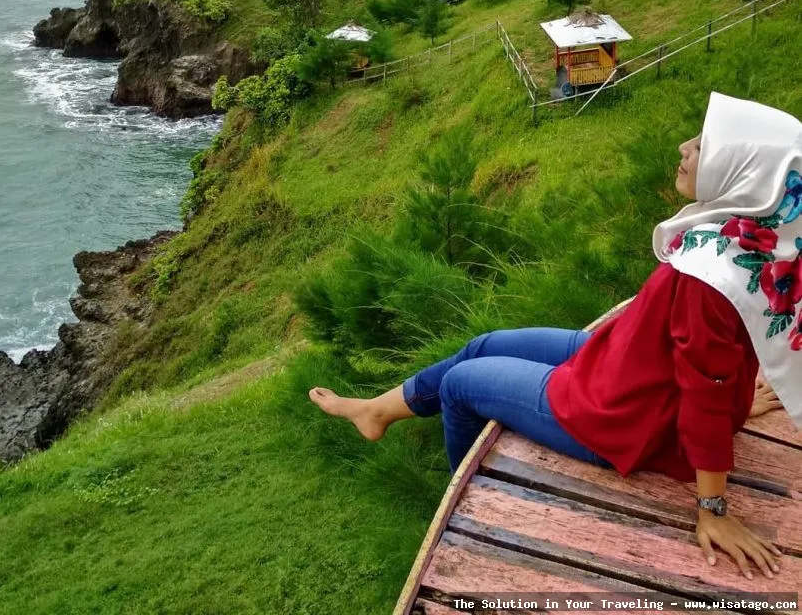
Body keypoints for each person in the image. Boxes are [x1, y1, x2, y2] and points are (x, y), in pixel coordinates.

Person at [310, 92, 802, 578]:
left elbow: (705, 389)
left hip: (621, 413)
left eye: (703, 144)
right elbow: (729, 348)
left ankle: (468, 505)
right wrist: (737, 399)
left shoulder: (709, 279)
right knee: (485, 345)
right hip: (627, 362)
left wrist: (713, 507)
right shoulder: (749, 238)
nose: (684, 146)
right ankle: (377, 411)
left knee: (461, 384)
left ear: (745, 170)